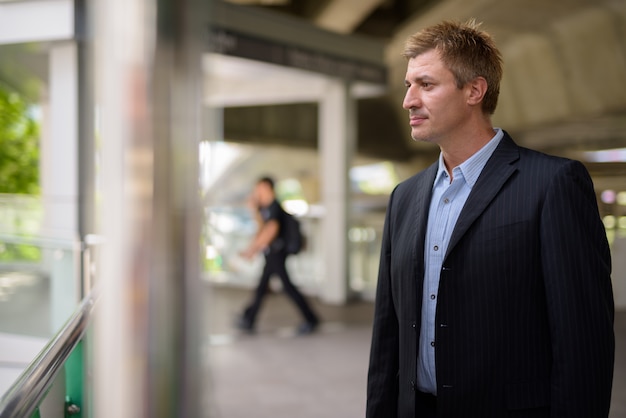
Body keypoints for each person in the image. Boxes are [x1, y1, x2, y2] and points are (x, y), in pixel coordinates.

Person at [366, 19, 615, 418]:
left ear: (474, 90)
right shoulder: (405, 197)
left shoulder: (553, 184)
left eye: (426, 85)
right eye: (408, 86)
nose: (408, 100)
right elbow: (387, 336)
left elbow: (583, 342)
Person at [238, 176, 319, 335]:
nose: (257, 191)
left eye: (259, 188)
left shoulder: (275, 207)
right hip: (271, 254)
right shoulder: (266, 208)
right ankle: (248, 318)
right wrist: (254, 210)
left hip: (277, 253)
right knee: (262, 287)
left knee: (286, 287)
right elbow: (261, 228)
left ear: (267, 188)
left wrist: (252, 250)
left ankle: (311, 319)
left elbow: (271, 231)